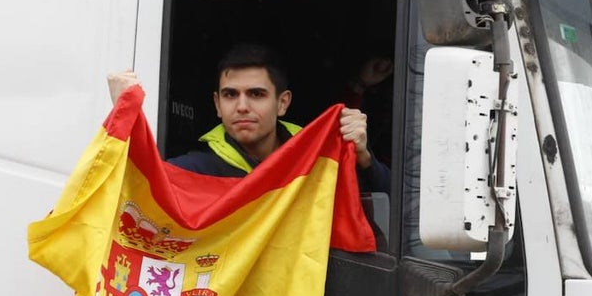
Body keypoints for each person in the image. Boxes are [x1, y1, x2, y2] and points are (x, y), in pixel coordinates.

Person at [108, 44, 390, 192]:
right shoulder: (193, 169)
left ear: (283, 103)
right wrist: (122, 117)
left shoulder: (317, 159)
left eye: (256, 94)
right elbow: (135, 197)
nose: (241, 106)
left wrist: (364, 159)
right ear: (217, 105)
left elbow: (397, 210)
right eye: (231, 95)